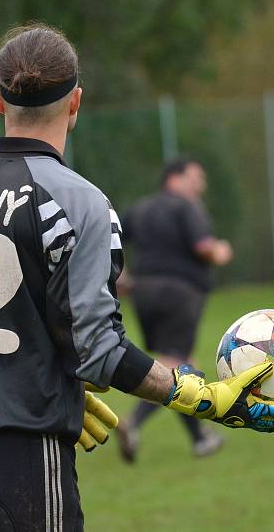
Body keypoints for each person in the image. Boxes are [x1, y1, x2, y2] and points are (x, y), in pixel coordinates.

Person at [0, 23, 274, 532]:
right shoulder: (79, 202)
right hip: (13, 454)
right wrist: (194, 394)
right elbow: (97, 348)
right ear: (76, 102)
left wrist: (41, 377)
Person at [116, 158, 234, 461]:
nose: (201, 185)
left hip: (143, 293)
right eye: (196, 177)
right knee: (174, 366)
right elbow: (203, 247)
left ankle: (200, 438)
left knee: (183, 364)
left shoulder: (141, 208)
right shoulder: (186, 207)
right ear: (174, 179)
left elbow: (108, 240)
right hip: (180, 293)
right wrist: (220, 251)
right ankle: (133, 423)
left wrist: (121, 277)